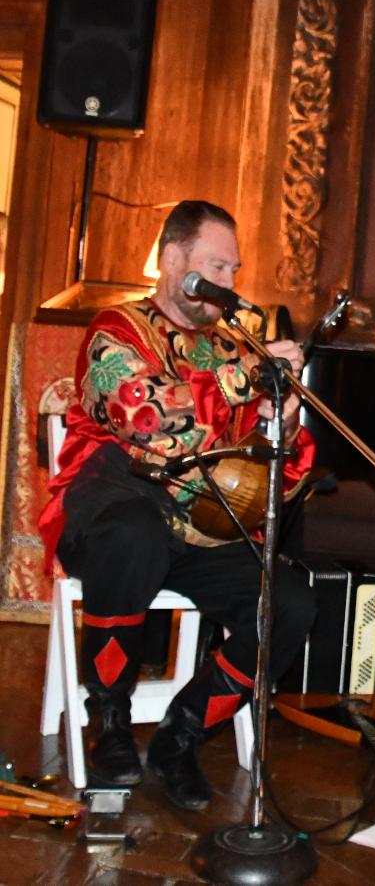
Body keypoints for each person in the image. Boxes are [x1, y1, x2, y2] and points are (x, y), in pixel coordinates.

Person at [38, 200, 318, 810]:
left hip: (200, 522)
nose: (228, 283)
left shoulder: (232, 346)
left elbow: (272, 468)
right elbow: (145, 413)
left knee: (291, 604)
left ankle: (181, 734)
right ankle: (110, 723)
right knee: (133, 534)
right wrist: (247, 379)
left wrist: (281, 419)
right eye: (216, 267)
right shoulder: (117, 328)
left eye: (234, 270)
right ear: (172, 261)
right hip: (113, 506)